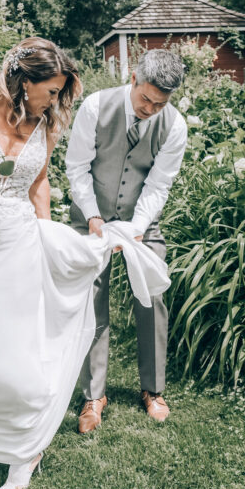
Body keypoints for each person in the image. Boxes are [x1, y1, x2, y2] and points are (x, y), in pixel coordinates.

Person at [0, 38, 169, 489]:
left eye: (60, 92)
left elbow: (39, 183)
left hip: (19, 246)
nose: (55, 100)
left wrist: (48, 237)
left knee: (17, 354)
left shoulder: (44, 125)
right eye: (51, 90)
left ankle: (25, 448)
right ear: (22, 81)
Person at [65, 49, 188, 433]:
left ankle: (153, 389)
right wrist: (93, 216)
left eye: (160, 103)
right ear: (133, 78)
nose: (150, 108)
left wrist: (136, 228)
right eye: (145, 98)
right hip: (90, 217)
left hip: (141, 220)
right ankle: (93, 394)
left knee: (151, 296)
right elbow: (77, 167)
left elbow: (159, 183)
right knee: (90, 299)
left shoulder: (175, 125)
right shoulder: (94, 107)